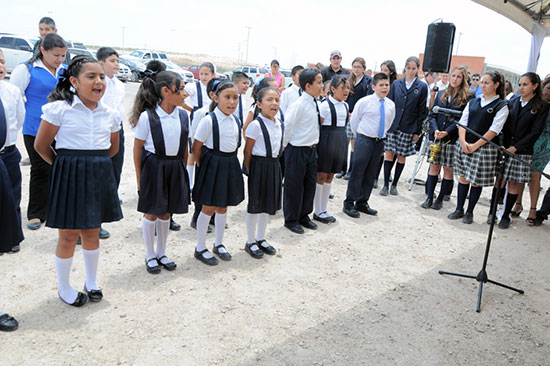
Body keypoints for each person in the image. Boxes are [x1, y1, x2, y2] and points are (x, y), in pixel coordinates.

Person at [34, 55, 122, 306]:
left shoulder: (110, 113)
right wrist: (66, 166)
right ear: (74, 81)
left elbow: (112, 149)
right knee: (69, 234)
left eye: (102, 77)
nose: (99, 82)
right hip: (69, 175)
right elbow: (41, 146)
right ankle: (64, 287)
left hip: (98, 174)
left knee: (92, 231)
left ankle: (91, 281)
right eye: (91, 76)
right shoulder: (60, 108)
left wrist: (93, 166)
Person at [131, 71, 190, 273]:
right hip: (155, 168)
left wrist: (184, 173)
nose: (185, 93)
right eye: (181, 89)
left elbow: (185, 148)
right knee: (152, 212)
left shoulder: (183, 115)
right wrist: (140, 181)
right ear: (166, 91)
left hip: (174, 168)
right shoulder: (148, 117)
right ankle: (150, 254)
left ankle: (162, 252)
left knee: (166, 212)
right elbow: (138, 148)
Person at [10, 33, 67, 231]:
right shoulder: (26, 69)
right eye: (55, 55)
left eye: (62, 56)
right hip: (34, 127)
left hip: (61, 129)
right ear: (43, 50)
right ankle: (35, 213)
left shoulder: (65, 71)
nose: (59, 60)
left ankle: (54, 208)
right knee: (40, 169)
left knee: (58, 168)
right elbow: (14, 98)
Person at [192, 81, 244, 265]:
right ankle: (200, 247)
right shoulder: (208, 120)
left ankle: (219, 243)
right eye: (227, 97)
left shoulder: (236, 120)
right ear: (216, 97)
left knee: (223, 206)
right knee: (208, 207)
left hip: (229, 163)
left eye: (235, 98)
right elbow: (196, 147)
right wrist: (204, 166)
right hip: (213, 164)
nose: (232, 102)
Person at [448, 70, 509, 224]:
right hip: (465, 144)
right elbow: (463, 122)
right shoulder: (474, 101)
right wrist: (463, 141)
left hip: (483, 147)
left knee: (475, 180)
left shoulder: (501, 105)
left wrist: (475, 145)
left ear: (496, 85)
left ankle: (470, 212)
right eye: (482, 82)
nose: (483, 85)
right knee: (463, 178)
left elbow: (494, 130)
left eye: (486, 82)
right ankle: (459, 209)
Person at [493, 72, 548, 228]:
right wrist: (503, 145)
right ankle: (493, 211)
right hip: (506, 148)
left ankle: (505, 215)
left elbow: (535, 132)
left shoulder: (541, 106)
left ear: (535, 86)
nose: (521, 87)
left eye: (525, 84)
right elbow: (503, 126)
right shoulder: (513, 102)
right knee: (499, 181)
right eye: (520, 84)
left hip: (523, 151)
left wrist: (515, 148)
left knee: (514, 184)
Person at [343, 72, 395, 218]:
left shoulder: (391, 105)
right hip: (364, 140)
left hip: (379, 142)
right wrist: (360, 137)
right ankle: (349, 203)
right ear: (373, 87)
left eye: (387, 85)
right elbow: (354, 122)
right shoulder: (364, 102)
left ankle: (362, 201)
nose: (384, 88)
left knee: (371, 173)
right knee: (358, 171)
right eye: (381, 85)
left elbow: (389, 123)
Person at [422, 65, 473, 210]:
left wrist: (448, 132)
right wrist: (436, 129)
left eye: (459, 76)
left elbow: (464, 119)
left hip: (452, 138)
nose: (455, 79)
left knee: (448, 169)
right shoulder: (441, 93)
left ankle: (440, 199)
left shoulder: (468, 97)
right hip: (436, 136)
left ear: (463, 79)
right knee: (433, 167)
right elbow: (432, 114)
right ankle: (429, 197)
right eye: (453, 76)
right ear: (449, 77)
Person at [243, 87, 283, 258]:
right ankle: (250, 241)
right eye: (269, 100)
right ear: (259, 104)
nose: (274, 103)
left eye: (277, 100)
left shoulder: (280, 123)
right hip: (258, 166)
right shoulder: (255, 125)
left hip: (273, 165)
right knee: (255, 205)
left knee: (267, 204)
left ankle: (261, 237)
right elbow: (247, 151)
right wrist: (253, 171)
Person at [282, 68, 323, 234]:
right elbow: (288, 126)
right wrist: (284, 145)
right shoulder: (298, 105)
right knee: (294, 186)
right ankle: (291, 219)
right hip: (297, 150)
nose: (322, 86)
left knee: (309, 185)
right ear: (308, 85)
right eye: (319, 83)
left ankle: (304, 215)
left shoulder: (314, 102)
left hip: (311, 151)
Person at [381, 56, 428, 196]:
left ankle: (395, 184)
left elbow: (421, 111)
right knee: (389, 153)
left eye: (414, 69)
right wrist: (387, 124)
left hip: (409, 126)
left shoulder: (422, 86)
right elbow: (389, 104)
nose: (411, 71)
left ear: (417, 69)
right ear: (405, 68)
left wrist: (417, 131)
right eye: (409, 68)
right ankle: (385, 184)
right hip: (393, 125)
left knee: (401, 156)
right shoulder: (396, 84)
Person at [97, 47, 125, 240]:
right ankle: (93, 222)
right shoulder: (96, 83)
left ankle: (106, 208)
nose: (116, 64)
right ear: (101, 62)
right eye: (112, 61)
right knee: (97, 177)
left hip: (117, 131)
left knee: (115, 172)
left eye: (117, 61)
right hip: (100, 133)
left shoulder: (120, 85)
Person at [314, 75, 350, 223]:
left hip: (340, 141)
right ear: (333, 89)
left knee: (330, 176)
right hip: (326, 142)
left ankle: (324, 209)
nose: (346, 91)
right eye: (343, 88)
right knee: (321, 175)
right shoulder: (325, 106)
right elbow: (318, 125)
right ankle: (317, 210)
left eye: (348, 87)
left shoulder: (346, 106)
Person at [0, 50, 25, 253]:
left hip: (8, 152)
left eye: (2, 62)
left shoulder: (11, 91)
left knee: (13, 195)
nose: (1, 66)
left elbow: (18, 119)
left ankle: (13, 235)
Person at [337, 57, 372, 180]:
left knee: (354, 144)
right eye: (355, 66)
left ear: (364, 68)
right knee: (343, 143)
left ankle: (351, 170)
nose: (356, 69)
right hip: (347, 113)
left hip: (359, 116)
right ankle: (342, 168)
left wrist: (356, 113)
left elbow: (367, 100)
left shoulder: (368, 81)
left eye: (359, 67)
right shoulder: (348, 79)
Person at [183, 62, 214, 191]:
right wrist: (192, 110)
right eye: (201, 74)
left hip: (211, 120)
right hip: (197, 119)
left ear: (213, 74)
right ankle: (189, 182)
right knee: (192, 149)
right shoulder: (194, 87)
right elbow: (180, 98)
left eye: (206, 74)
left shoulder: (215, 87)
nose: (203, 76)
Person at [372, 60, 398, 187]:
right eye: (381, 69)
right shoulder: (377, 84)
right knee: (380, 153)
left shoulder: (395, 85)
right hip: (377, 122)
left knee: (389, 153)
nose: (383, 72)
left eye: (385, 70)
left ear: (391, 72)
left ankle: (387, 175)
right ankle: (375, 176)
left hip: (388, 123)